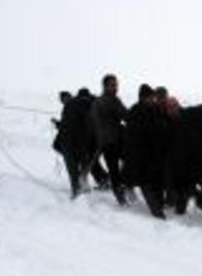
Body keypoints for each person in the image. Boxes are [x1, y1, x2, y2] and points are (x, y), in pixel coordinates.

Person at [166, 97, 202, 232]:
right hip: (186, 162)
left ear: (178, 105)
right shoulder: (170, 122)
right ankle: (183, 209)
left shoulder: (190, 115)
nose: (171, 110)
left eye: (173, 107)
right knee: (184, 187)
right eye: (169, 108)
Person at [123, 84, 169, 219]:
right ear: (144, 97)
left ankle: (159, 206)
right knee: (146, 183)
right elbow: (142, 132)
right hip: (142, 154)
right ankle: (157, 212)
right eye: (151, 97)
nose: (153, 99)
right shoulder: (140, 111)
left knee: (154, 181)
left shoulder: (148, 109)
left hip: (152, 154)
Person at [54, 88, 108, 198]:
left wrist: (58, 125)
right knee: (90, 163)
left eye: (64, 99)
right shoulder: (92, 103)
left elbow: (67, 126)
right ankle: (101, 181)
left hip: (74, 141)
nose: (64, 101)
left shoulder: (71, 106)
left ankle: (78, 190)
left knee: (75, 167)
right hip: (92, 141)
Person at [91, 74, 128, 205]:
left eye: (116, 85)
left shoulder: (98, 101)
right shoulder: (109, 101)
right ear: (105, 86)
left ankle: (122, 192)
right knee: (115, 169)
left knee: (117, 169)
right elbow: (125, 115)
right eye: (113, 85)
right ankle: (121, 197)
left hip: (108, 141)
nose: (116, 87)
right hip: (111, 141)